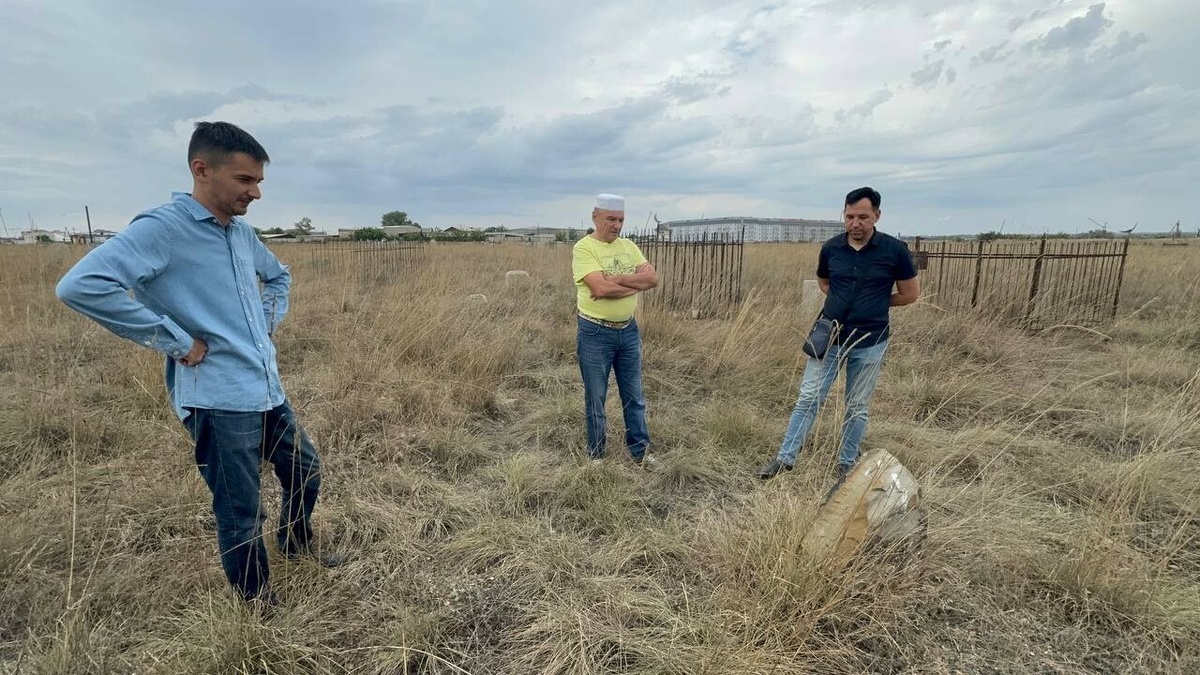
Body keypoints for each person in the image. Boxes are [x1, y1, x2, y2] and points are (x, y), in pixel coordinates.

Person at [56, 121, 343, 605]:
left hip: (264, 386)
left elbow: (278, 276)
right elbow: (81, 286)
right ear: (201, 169)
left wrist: (264, 324)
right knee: (240, 508)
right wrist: (175, 340)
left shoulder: (242, 233)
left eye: (258, 182)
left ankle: (295, 541)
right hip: (216, 396)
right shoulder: (162, 228)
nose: (255, 193)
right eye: (244, 180)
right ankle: (257, 604)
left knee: (305, 470)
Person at [758, 187, 919, 481]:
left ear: (877, 216)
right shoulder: (831, 248)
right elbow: (824, 280)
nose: (855, 223)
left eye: (862, 217)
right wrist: (842, 303)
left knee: (857, 406)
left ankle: (846, 463)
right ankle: (784, 459)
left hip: (870, 341)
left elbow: (910, 294)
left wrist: (876, 304)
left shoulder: (895, 251)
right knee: (808, 398)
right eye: (849, 216)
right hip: (829, 337)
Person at [572, 194, 661, 467]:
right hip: (595, 333)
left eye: (620, 220)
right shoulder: (584, 249)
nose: (617, 225)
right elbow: (599, 288)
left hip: (628, 331)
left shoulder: (629, 246)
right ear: (595, 216)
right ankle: (596, 455)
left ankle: (640, 451)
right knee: (596, 397)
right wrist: (635, 283)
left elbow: (653, 279)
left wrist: (619, 279)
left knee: (634, 394)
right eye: (611, 219)